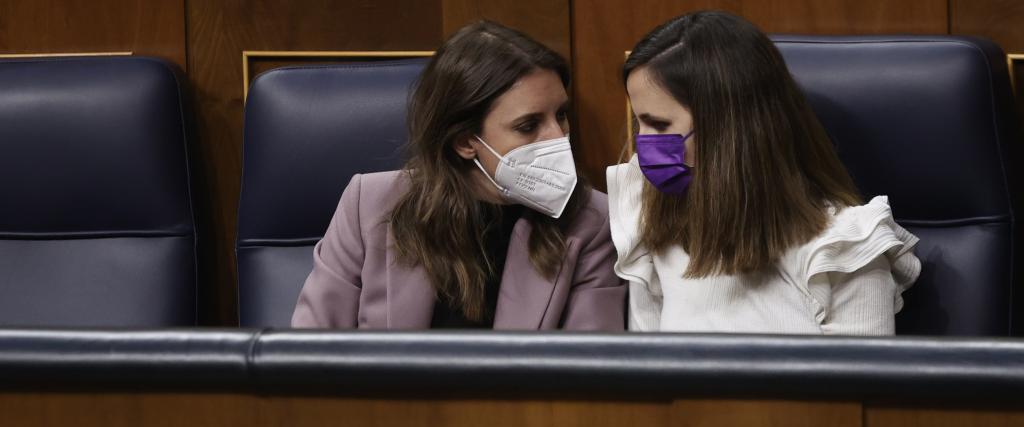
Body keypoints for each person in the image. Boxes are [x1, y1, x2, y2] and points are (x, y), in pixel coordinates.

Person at [292, 21, 625, 330]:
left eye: (561, 115)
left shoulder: (592, 221)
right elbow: (308, 356)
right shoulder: (368, 204)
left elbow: (587, 377)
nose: (558, 137)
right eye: (528, 125)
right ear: (465, 141)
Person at [608, 11, 920, 335]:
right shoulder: (651, 214)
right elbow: (646, 373)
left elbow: (863, 384)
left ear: (728, 129)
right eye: (639, 122)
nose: (643, 144)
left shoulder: (846, 249)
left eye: (659, 125)